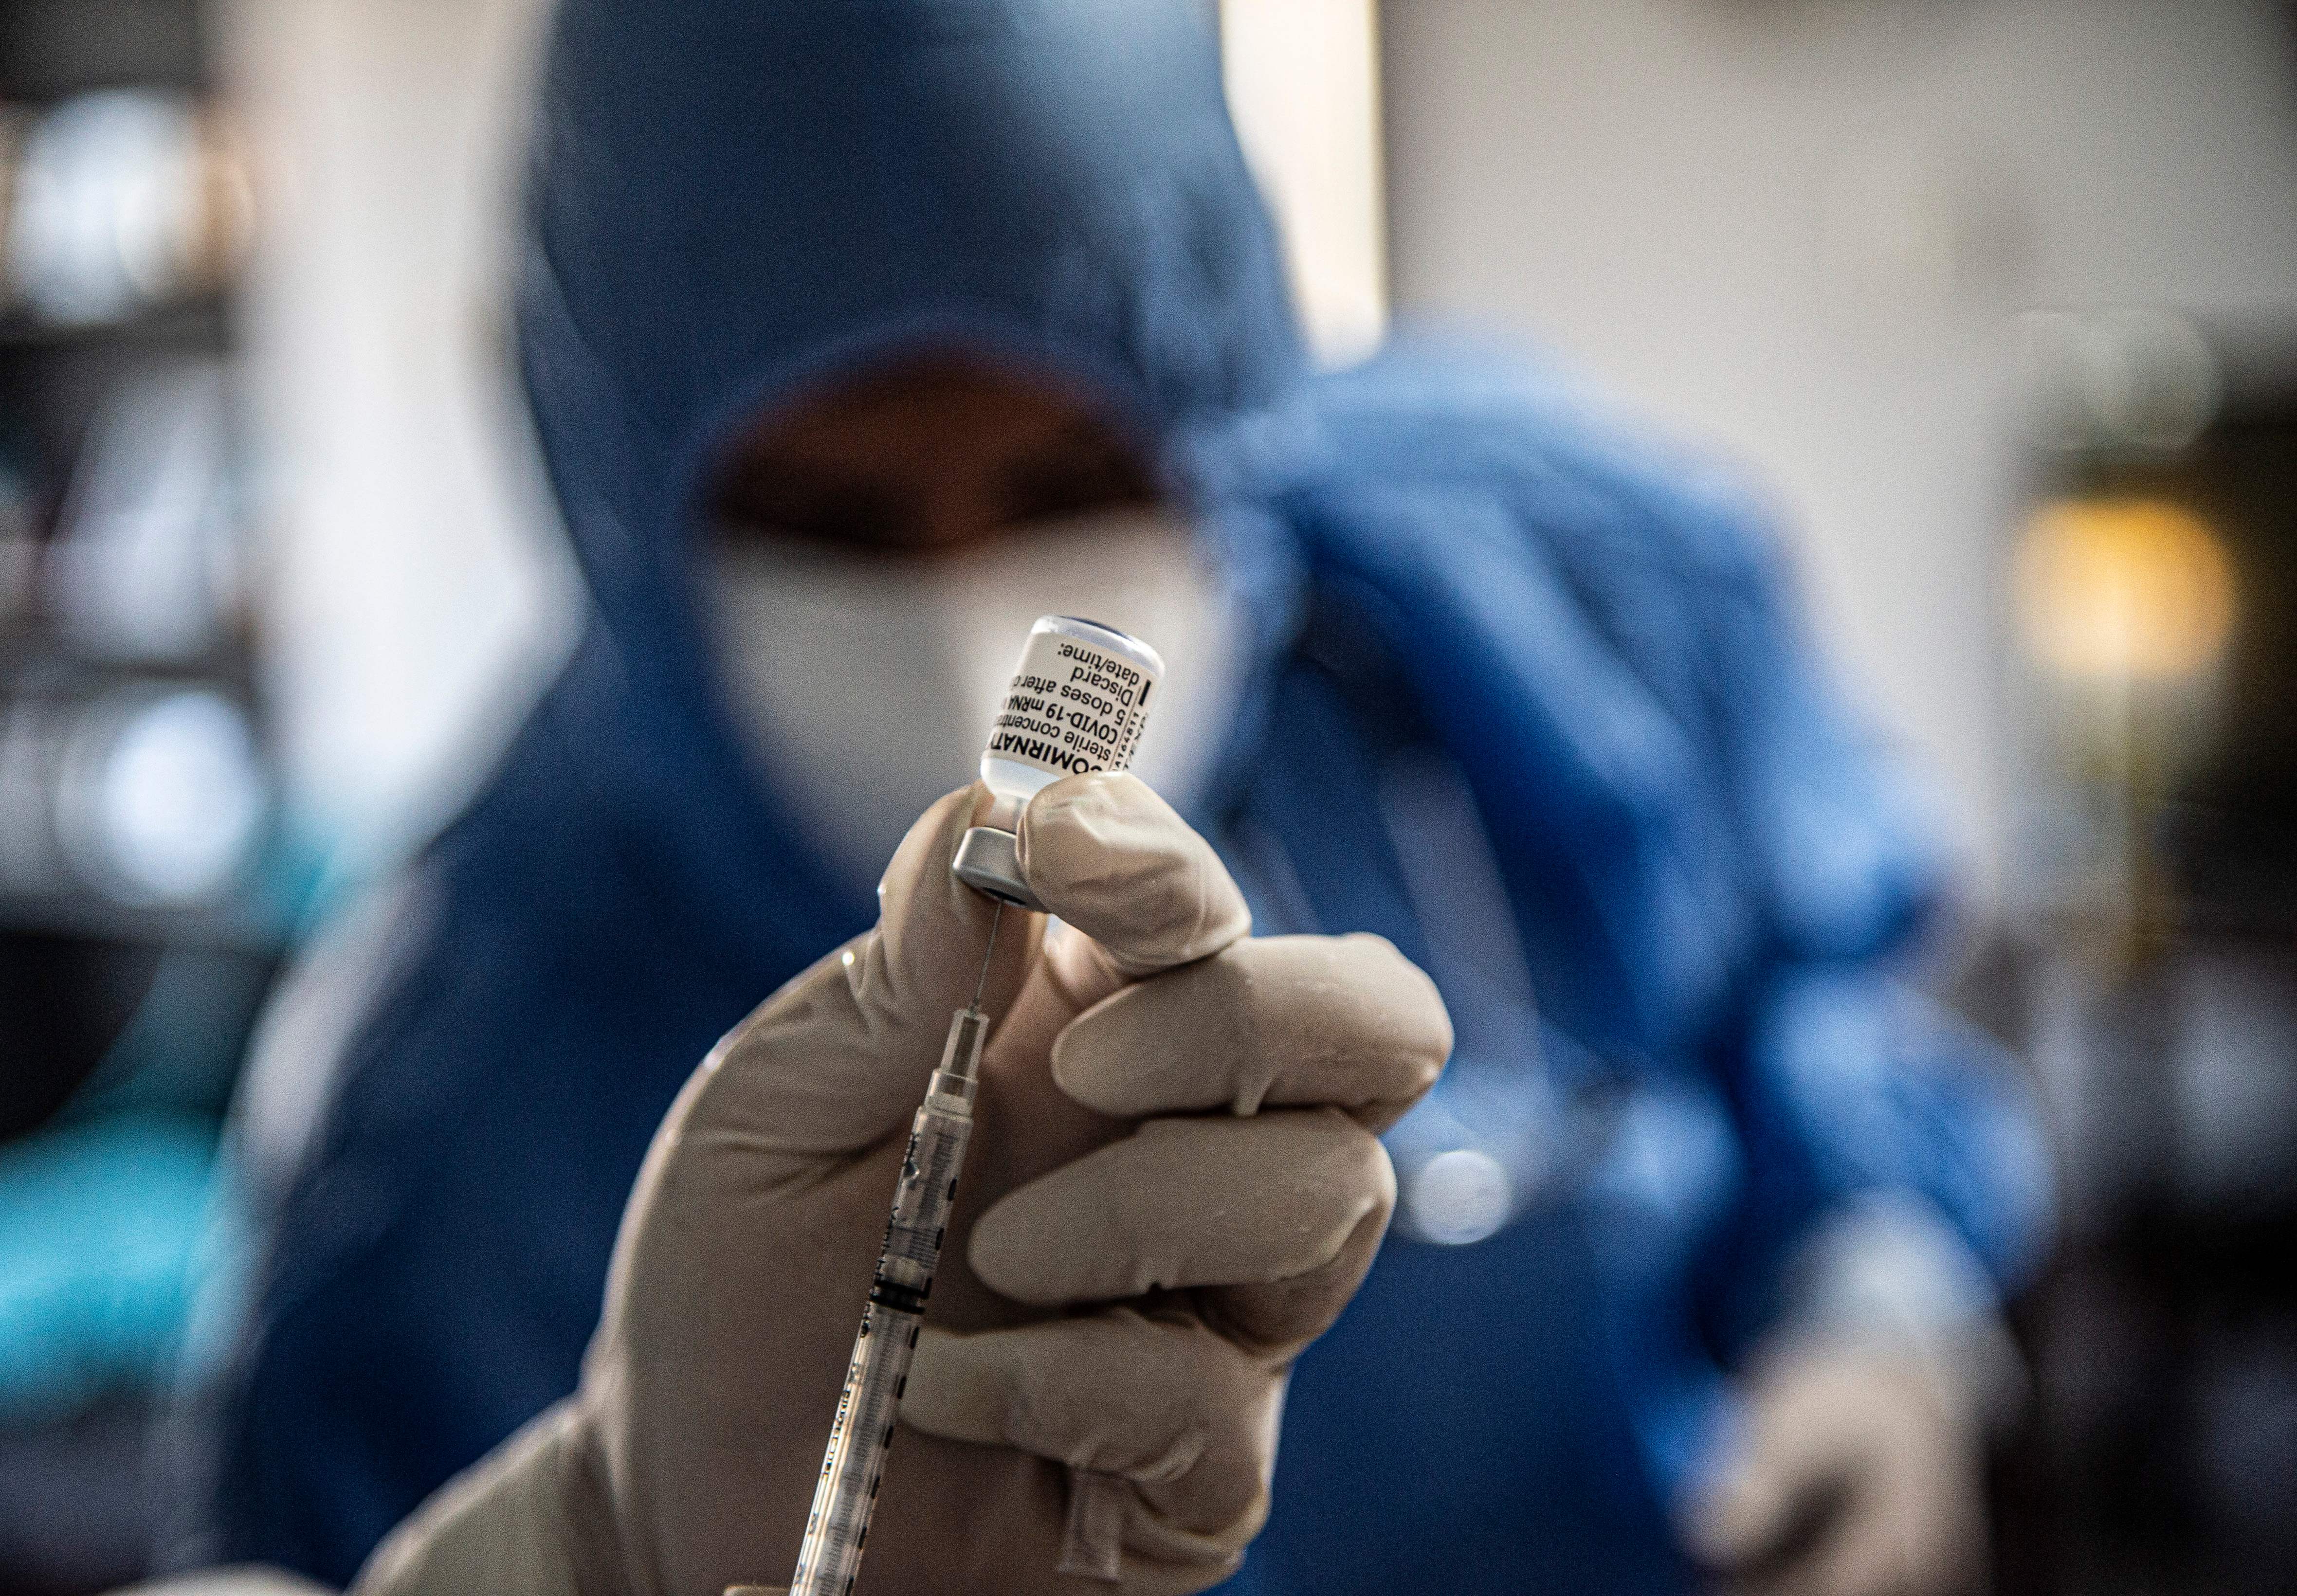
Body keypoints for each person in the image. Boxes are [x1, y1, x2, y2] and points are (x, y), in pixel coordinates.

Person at [194, 0, 2052, 1592]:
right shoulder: (444, 1130)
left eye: (1068, 475)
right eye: (831, 520)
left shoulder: (1548, 601)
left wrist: (1881, 1325)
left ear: (1222, 400)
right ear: (616, 504)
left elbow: (1824, 998)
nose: (972, 636)